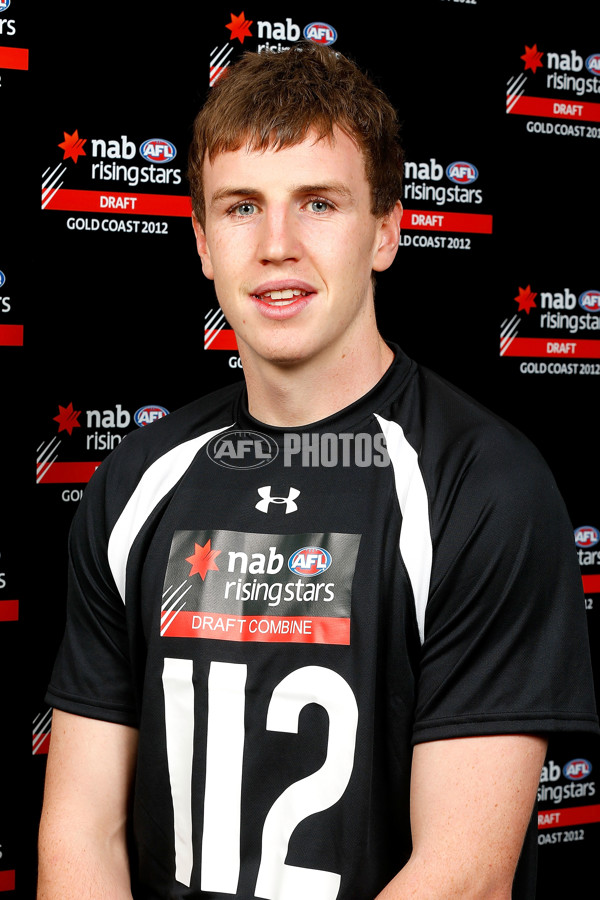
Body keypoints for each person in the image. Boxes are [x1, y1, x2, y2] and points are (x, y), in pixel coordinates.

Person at [37, 42, 598, 899]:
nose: (276, 245)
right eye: (240, 208)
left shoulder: (483, 486)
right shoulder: (133, 482)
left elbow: (463, 878)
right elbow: (82, 835)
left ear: (386, 231)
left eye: (319, 203)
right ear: (200, 242)